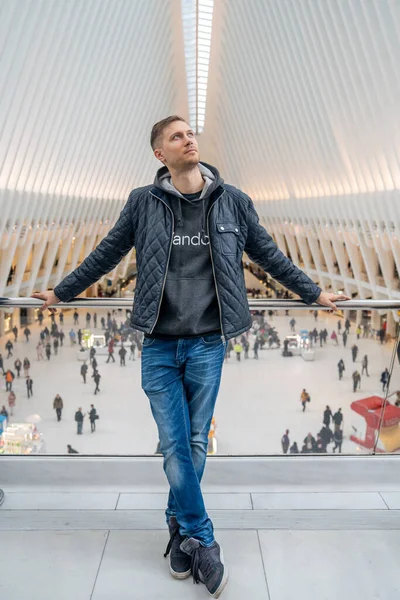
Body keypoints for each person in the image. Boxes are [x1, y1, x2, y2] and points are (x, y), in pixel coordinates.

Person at [32, 114, 350, 596]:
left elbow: (269, 255)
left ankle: (179, 533)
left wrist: (314, 294)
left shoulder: (233, 201)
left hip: (207, 342)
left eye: (190, 133)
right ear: (160, 154)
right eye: (177, 136)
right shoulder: (143, 202)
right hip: (158, 342)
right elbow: (107, 253)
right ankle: (202, 537)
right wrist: (62, 291)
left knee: (195, 442)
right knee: (176, 444)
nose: (189, 139)